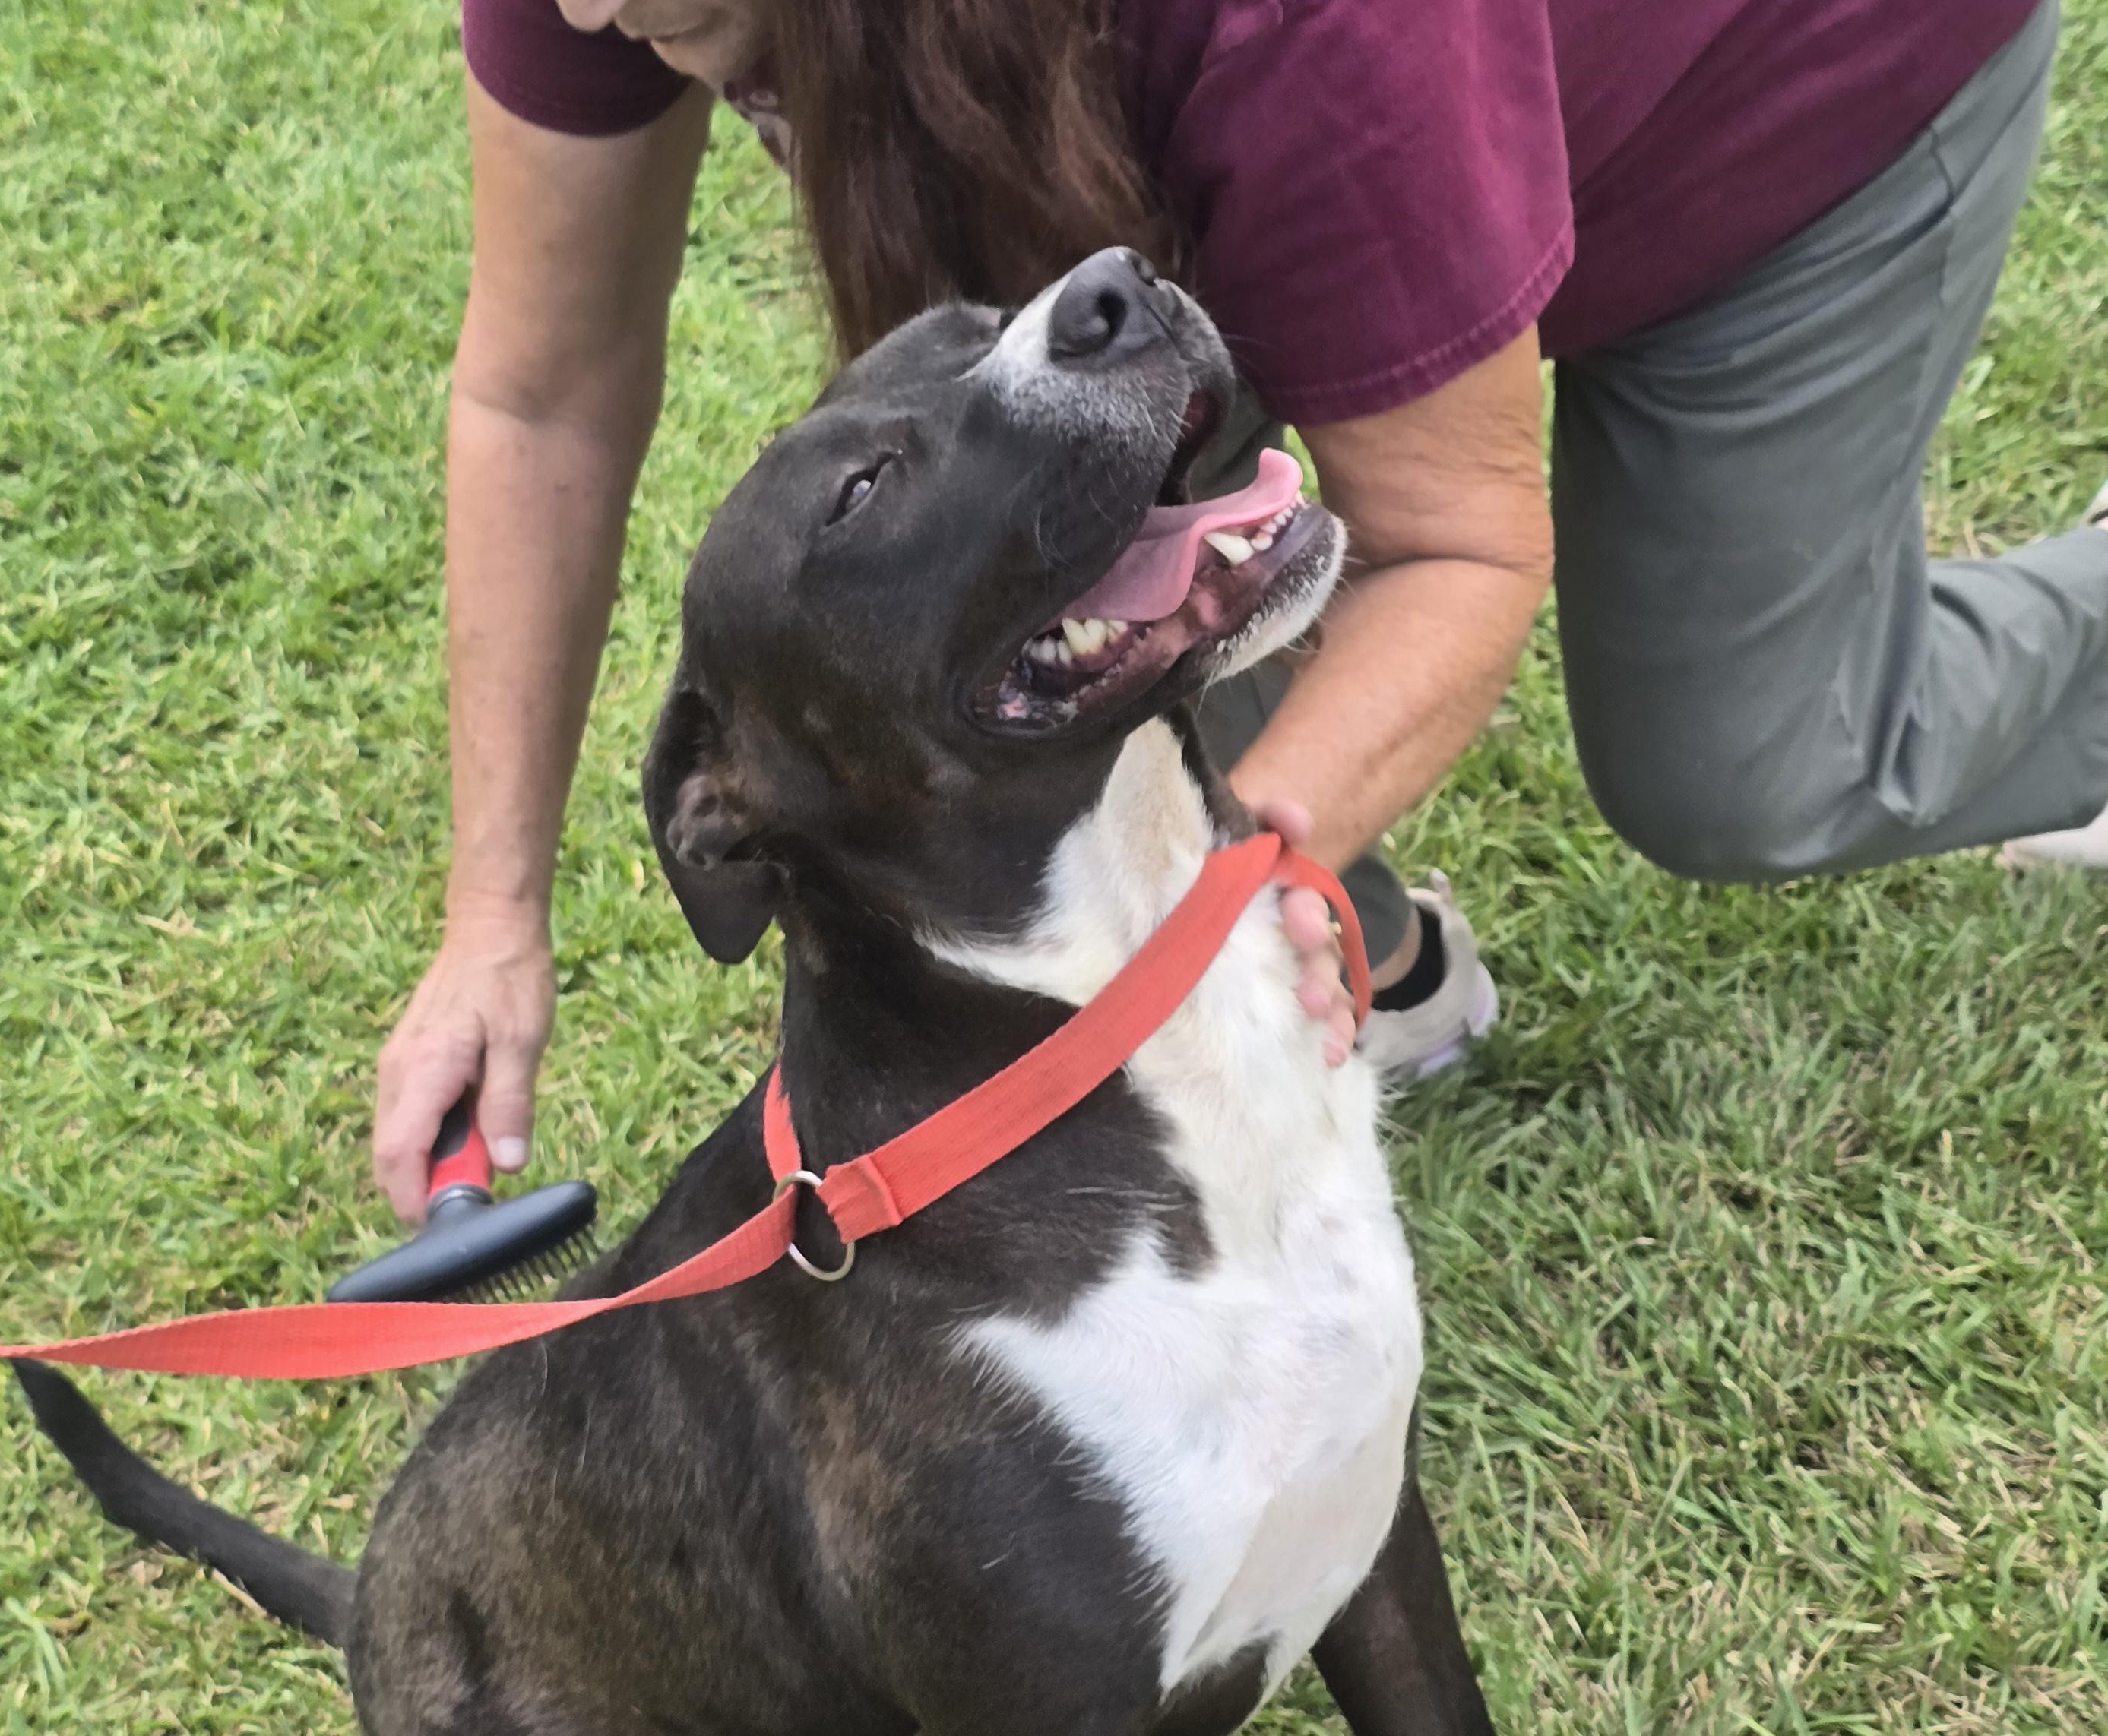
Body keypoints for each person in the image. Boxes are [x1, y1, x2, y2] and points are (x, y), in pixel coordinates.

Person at [373, 0, 2103, 1222]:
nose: (585, 10)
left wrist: (1190, 945)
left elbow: (1455, 546)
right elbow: (546, 391)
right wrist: (489, 913)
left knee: (1752, 768)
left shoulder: (1307, 27)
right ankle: (1391, 969)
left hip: (1787, 115)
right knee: (1056, 545)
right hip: (1422, 147)